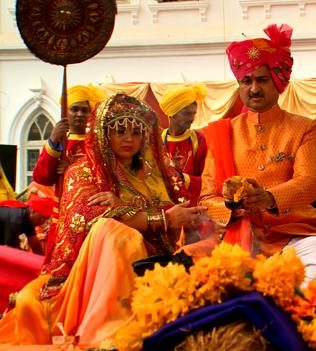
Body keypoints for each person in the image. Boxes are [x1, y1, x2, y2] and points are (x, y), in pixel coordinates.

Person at [0, 94, 204, 345]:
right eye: (119, 131)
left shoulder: (155, 174)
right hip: (87, 266)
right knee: (115, 232)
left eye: (135, 132)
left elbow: (182, 211)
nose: (128, 139)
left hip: (154, 261)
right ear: (104, 134)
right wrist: (159, 217)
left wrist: (127, 209)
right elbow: (90, 217)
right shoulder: (82, 172)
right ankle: (107, 328)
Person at [199, 23, 316, 287]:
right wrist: (231, 204)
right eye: (246, 81)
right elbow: (207, 198)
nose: (254, 88)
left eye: (262, 80)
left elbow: (309, 183)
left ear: (277, 82)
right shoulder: (223, 132)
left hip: (292, 238)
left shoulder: (304, 127)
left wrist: (267, 198)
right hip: (238, 239)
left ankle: (290, 304)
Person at [32, 84, 106, 261]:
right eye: (74, 109)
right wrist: (53, 140)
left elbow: (105, 177)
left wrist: (73, 171)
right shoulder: (59, 141)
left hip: (90, 213)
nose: (79, 114)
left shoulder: (99, 143)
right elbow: (42, 177)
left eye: (84, 110)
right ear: (66, 112)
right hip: (62, 214)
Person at [159, 84, 208, 203]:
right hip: (165, 203)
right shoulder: (158, 139)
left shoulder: (199, 139)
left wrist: (183, 179)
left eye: (193, 113)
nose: (192, 118)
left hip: (192, 203)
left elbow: (208, 180)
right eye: (187, 114)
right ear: (172, 113)